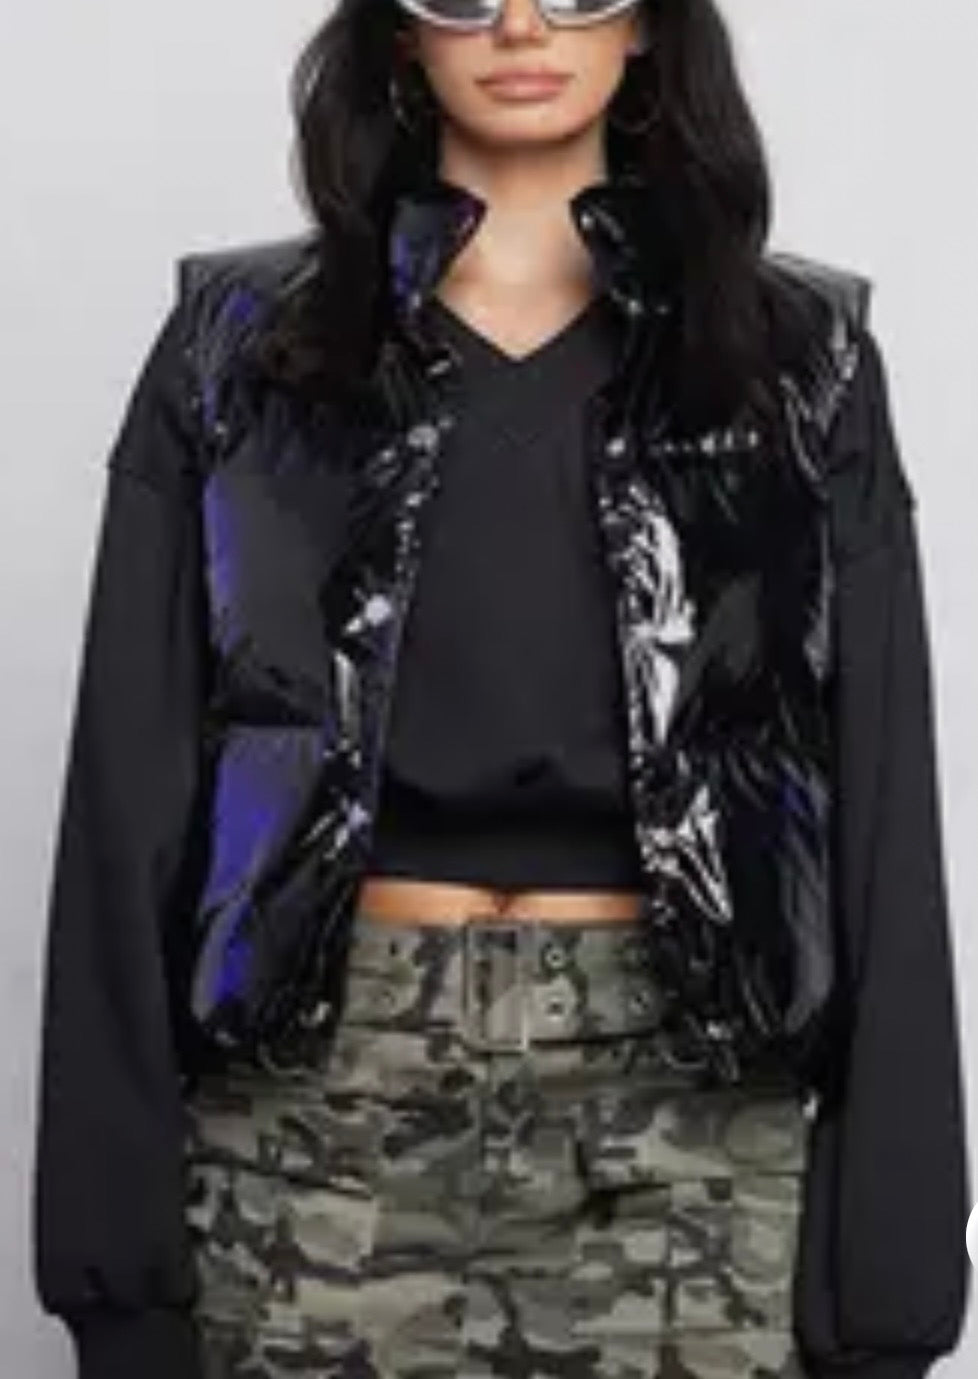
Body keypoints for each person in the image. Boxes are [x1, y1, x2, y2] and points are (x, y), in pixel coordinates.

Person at [31, 1, 970, 1377]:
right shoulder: (236, 350)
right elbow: (127, 799)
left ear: (647, 27)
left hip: (688, 1136)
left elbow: (881, 797)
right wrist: (114, 1275)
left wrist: (889, 1281)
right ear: (397, 34)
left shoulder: (794, 359)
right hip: (311, 1129)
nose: (521, 24)